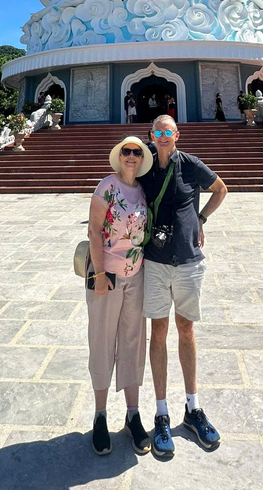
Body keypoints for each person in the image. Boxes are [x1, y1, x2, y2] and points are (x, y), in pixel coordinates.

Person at [138, 115, 228, 457]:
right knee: (158, 331)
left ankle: (193, 408)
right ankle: (161, 412)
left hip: (188, 261)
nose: (162, 136)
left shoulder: (190, 165)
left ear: (177, 135)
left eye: (168, 132)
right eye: (157, 131)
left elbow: (221, 188)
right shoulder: (143, 162)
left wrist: (201, 219)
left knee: (185, 330)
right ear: (151, 135)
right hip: (155, 262)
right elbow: (121, 169)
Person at [86, 136, 154, 456]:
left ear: (141, 159)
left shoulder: (142, 190)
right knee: (102, 340)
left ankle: (133, 413)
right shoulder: (107, 186)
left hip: (136, 277)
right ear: (119, 157)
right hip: (108, 278)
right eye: (126, 151)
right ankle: (100, 416)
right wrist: (99, 274)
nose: (130, 156)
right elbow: (93, 231)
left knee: (133, 342)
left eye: (136, 152)